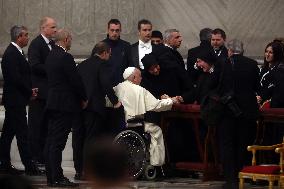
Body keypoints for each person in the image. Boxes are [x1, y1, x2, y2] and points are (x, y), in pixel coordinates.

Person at [45, 29, 87, 187]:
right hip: (65, 105)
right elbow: (75, 81)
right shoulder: (65, 57)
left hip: (53, 103)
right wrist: (84, 97)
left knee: (51, 141)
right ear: (67, 39)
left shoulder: (50, 56)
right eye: (71, 39)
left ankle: (51, 176)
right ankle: (57, 177)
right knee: (58, 142)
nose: (71, 42)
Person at [112, 67, 179, 167]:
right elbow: (156, 105)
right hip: (135, 124)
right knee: (156, 130)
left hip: (119, 124)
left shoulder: (117, 88)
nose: (141, 79)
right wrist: (171, 100)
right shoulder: (139, 90)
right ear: (134, 77)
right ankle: (156, 164)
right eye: (139, 76)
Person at [0, 25, 43, 176]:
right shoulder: (12, 54)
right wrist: (29, 91)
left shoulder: (17, 52)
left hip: (16, 100)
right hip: (15, 102)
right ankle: (30, 167)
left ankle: (4, 164)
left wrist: (28, 91)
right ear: (19, 37)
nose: (28, 37)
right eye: (26, 35)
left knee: (7, 134)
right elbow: (16, 79)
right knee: (22, 134)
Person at [224, 39, 260, 187]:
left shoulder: (225, 64)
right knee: (244, 144)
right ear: (242, 50)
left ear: (230, 51)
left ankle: (231, 179)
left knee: (229, 144)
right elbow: (257, 86)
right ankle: (244, 173)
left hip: (229, 110)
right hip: (248, 110)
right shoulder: (252, 64)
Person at [27, 17, 57, 165]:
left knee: (46, 127)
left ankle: (43, 156)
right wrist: (52, 69)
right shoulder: (36, 44)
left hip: (49, 94)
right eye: (52, 27)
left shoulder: (52, 44)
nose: (55, 30)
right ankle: (35, 157)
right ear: (43, 28)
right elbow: (34, 65)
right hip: (39, 94)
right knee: (36, 126)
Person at [102, 18, 132, 85]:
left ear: (120, 31)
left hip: (123, 85)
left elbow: (131, 67)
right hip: (105, 86)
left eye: (117, 30)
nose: (114, 33)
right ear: (108, 30)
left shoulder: (126, 46)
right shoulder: (101, 47)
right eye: (112, 30)